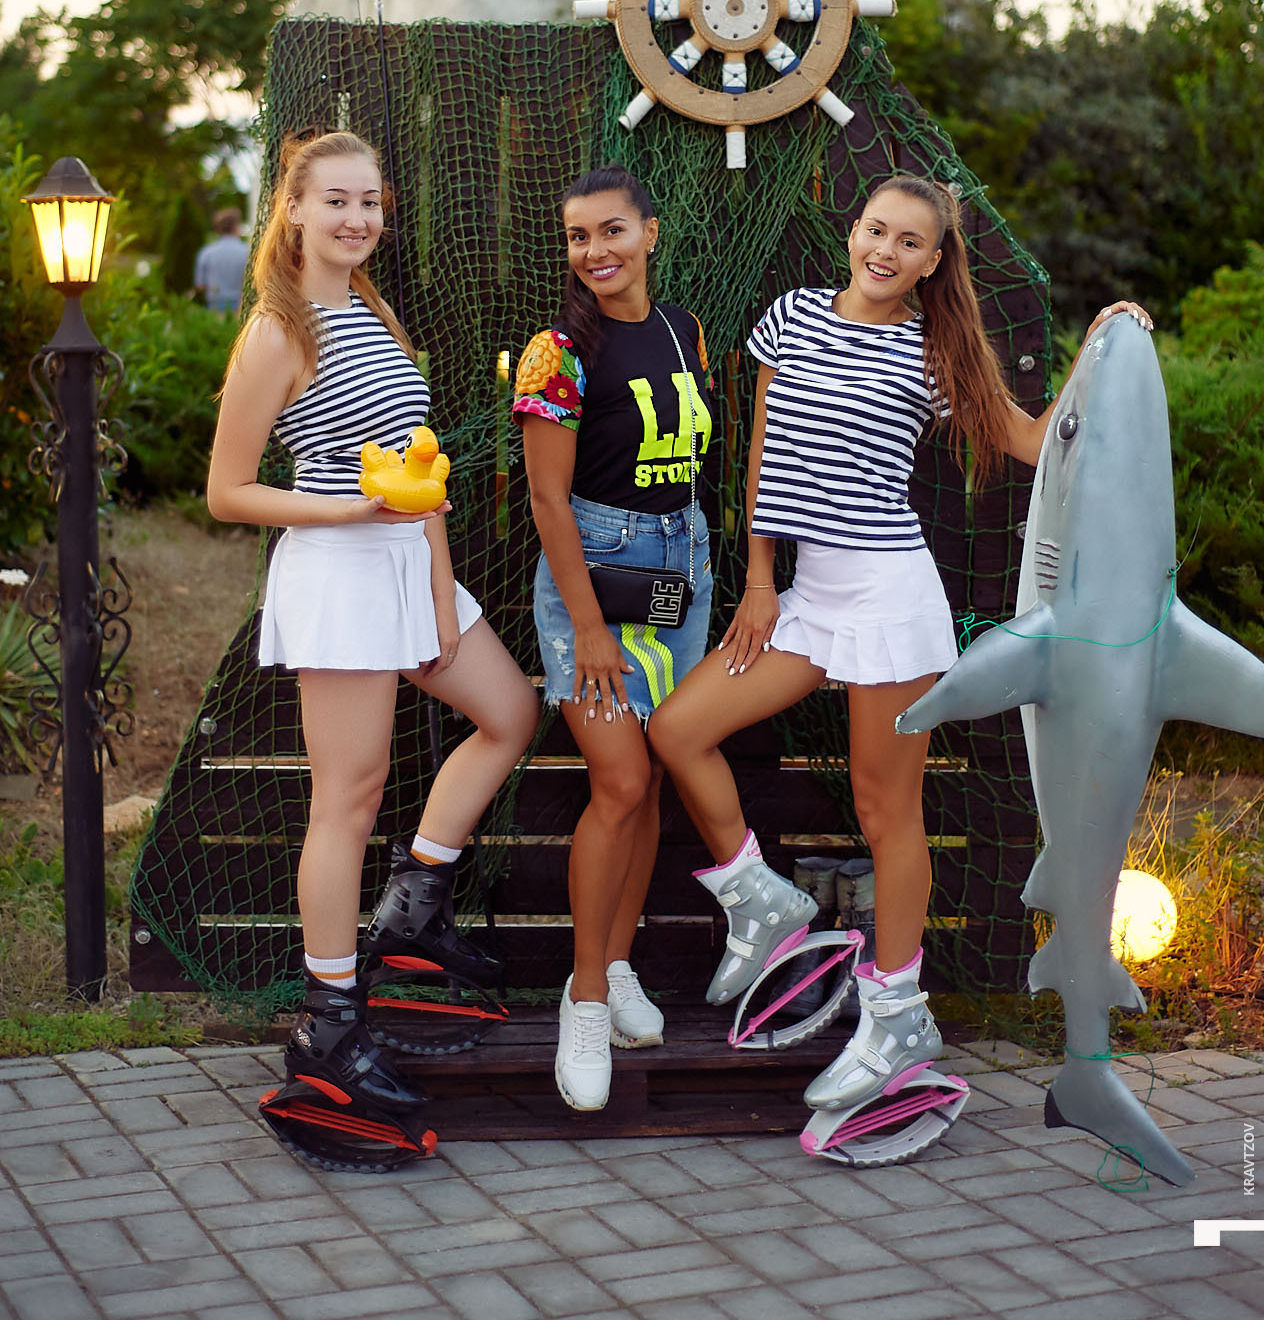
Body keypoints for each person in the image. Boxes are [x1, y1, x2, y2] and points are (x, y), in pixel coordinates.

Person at [647, 174, 1153, 1128]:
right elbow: (761, 453)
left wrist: (1101, 350)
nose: (886, 251)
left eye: (909, 242)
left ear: (931, 262)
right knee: (677, 728)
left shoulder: (934, 350)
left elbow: (1032, 442)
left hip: (889, 599)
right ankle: (760, 901)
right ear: (854, 232)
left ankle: (897, 1015)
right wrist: (759, 578)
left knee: (888, 813)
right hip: (805, 598)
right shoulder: (791, 318)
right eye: (876, 230)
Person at [207, 131, 539, 1150]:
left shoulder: (371, 311)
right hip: (339, 573)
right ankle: (329, 1024)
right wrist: (346, 512)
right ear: (293, 210)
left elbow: (418, 468)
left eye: (369, 204)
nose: (356, 219)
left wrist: (437, 595)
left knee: (509, 712)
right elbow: (226, 491)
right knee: (347, 800)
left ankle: (414, 906)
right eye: (336, 202)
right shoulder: (279, 331)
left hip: (404, 565)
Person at [514, 164, 714, 1111]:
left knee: (653, 781)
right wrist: (589, 628)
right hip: (592, 575)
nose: (595, 251)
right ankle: (585, 998)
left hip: (680, 571)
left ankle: (620, 962)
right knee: (622, 781)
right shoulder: (556, 352)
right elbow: (547, 499)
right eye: (578, 236)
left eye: (612, 231)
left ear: (650, 233)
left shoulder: (684, 330)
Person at [193, 208, 251, 314]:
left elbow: (200, 286)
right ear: (236, 227)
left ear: (218, 229)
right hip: (241, 305)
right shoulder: (247, 252)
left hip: (214, 305)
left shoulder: (206, 253)